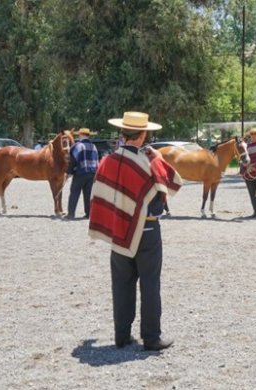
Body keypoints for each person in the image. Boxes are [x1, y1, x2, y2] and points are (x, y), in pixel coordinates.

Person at [89, 111, 182, 351]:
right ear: (142, 136)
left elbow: (99, 196)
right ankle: (151, 338)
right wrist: (158, 158)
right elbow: (170, 187)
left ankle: (122, 336)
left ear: (122, 133)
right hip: (148, 230)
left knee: (121, 283)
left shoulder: (106, 162)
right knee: (150, 283)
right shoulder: (148, 162)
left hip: (119, 231)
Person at [66, 128, 100, 219]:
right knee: (88, 194)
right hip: (92, 173)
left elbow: (72, 161)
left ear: (80, 135)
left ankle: (71, 214)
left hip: (80, 172)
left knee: (74, 192)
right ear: (88, 136)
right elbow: (97, 160)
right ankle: (88, 214)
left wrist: (69, 172)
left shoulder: (77, 146)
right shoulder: (94, 146)